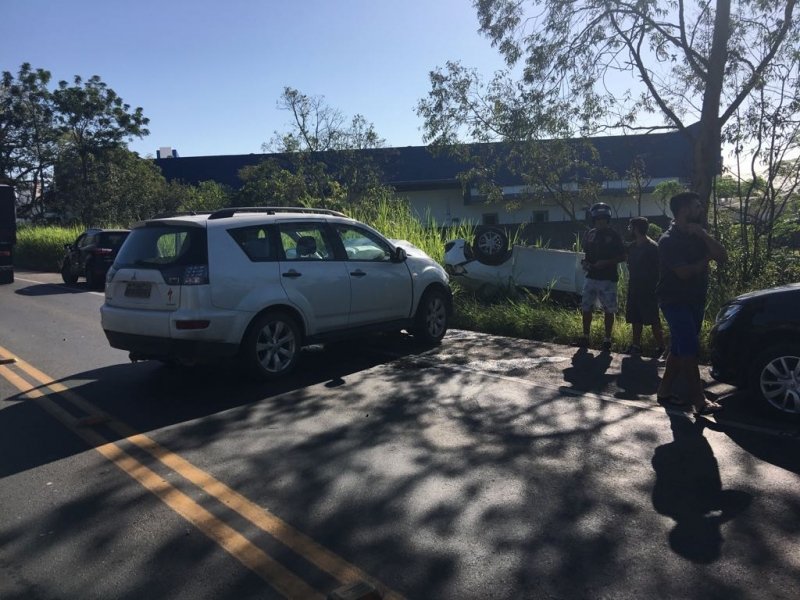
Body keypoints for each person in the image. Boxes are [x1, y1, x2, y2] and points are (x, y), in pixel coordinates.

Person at [655, 191, 728, 415]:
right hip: (674, 301)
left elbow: (722, 256)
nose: (701, 209)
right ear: (684, 210)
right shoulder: (668, 240)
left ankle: (664, 391)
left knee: (679, 349)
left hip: (696, 299)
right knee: (688, 347)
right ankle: (699, 401)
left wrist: (704, 236)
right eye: (697, 206)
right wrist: (706, 259)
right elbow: (684, 273)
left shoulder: (698, 235)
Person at [579, 202, 626, 351]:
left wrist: (607, 262)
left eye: (603, 219)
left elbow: (623, 256)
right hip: (591, 277)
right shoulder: (589, 234)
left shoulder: (614, 236)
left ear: (608, 219)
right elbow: (586, 254)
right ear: (593, 220)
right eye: (598, 219)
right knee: (586, 307)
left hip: (608, 279)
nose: (600, 222)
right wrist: (585, 263)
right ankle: (585, 337)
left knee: (609, 310)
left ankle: (607, 340)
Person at [625, 217, 665, 357]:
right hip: (634, 287)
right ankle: (636, 345)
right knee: (635, 318)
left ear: (636, 229)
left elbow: (659, 269)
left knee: (653, 319)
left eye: (630, 227)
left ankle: (662, 347)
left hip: (649, 289)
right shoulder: (631, 247)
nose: (629, 230)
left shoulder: (652, 247)